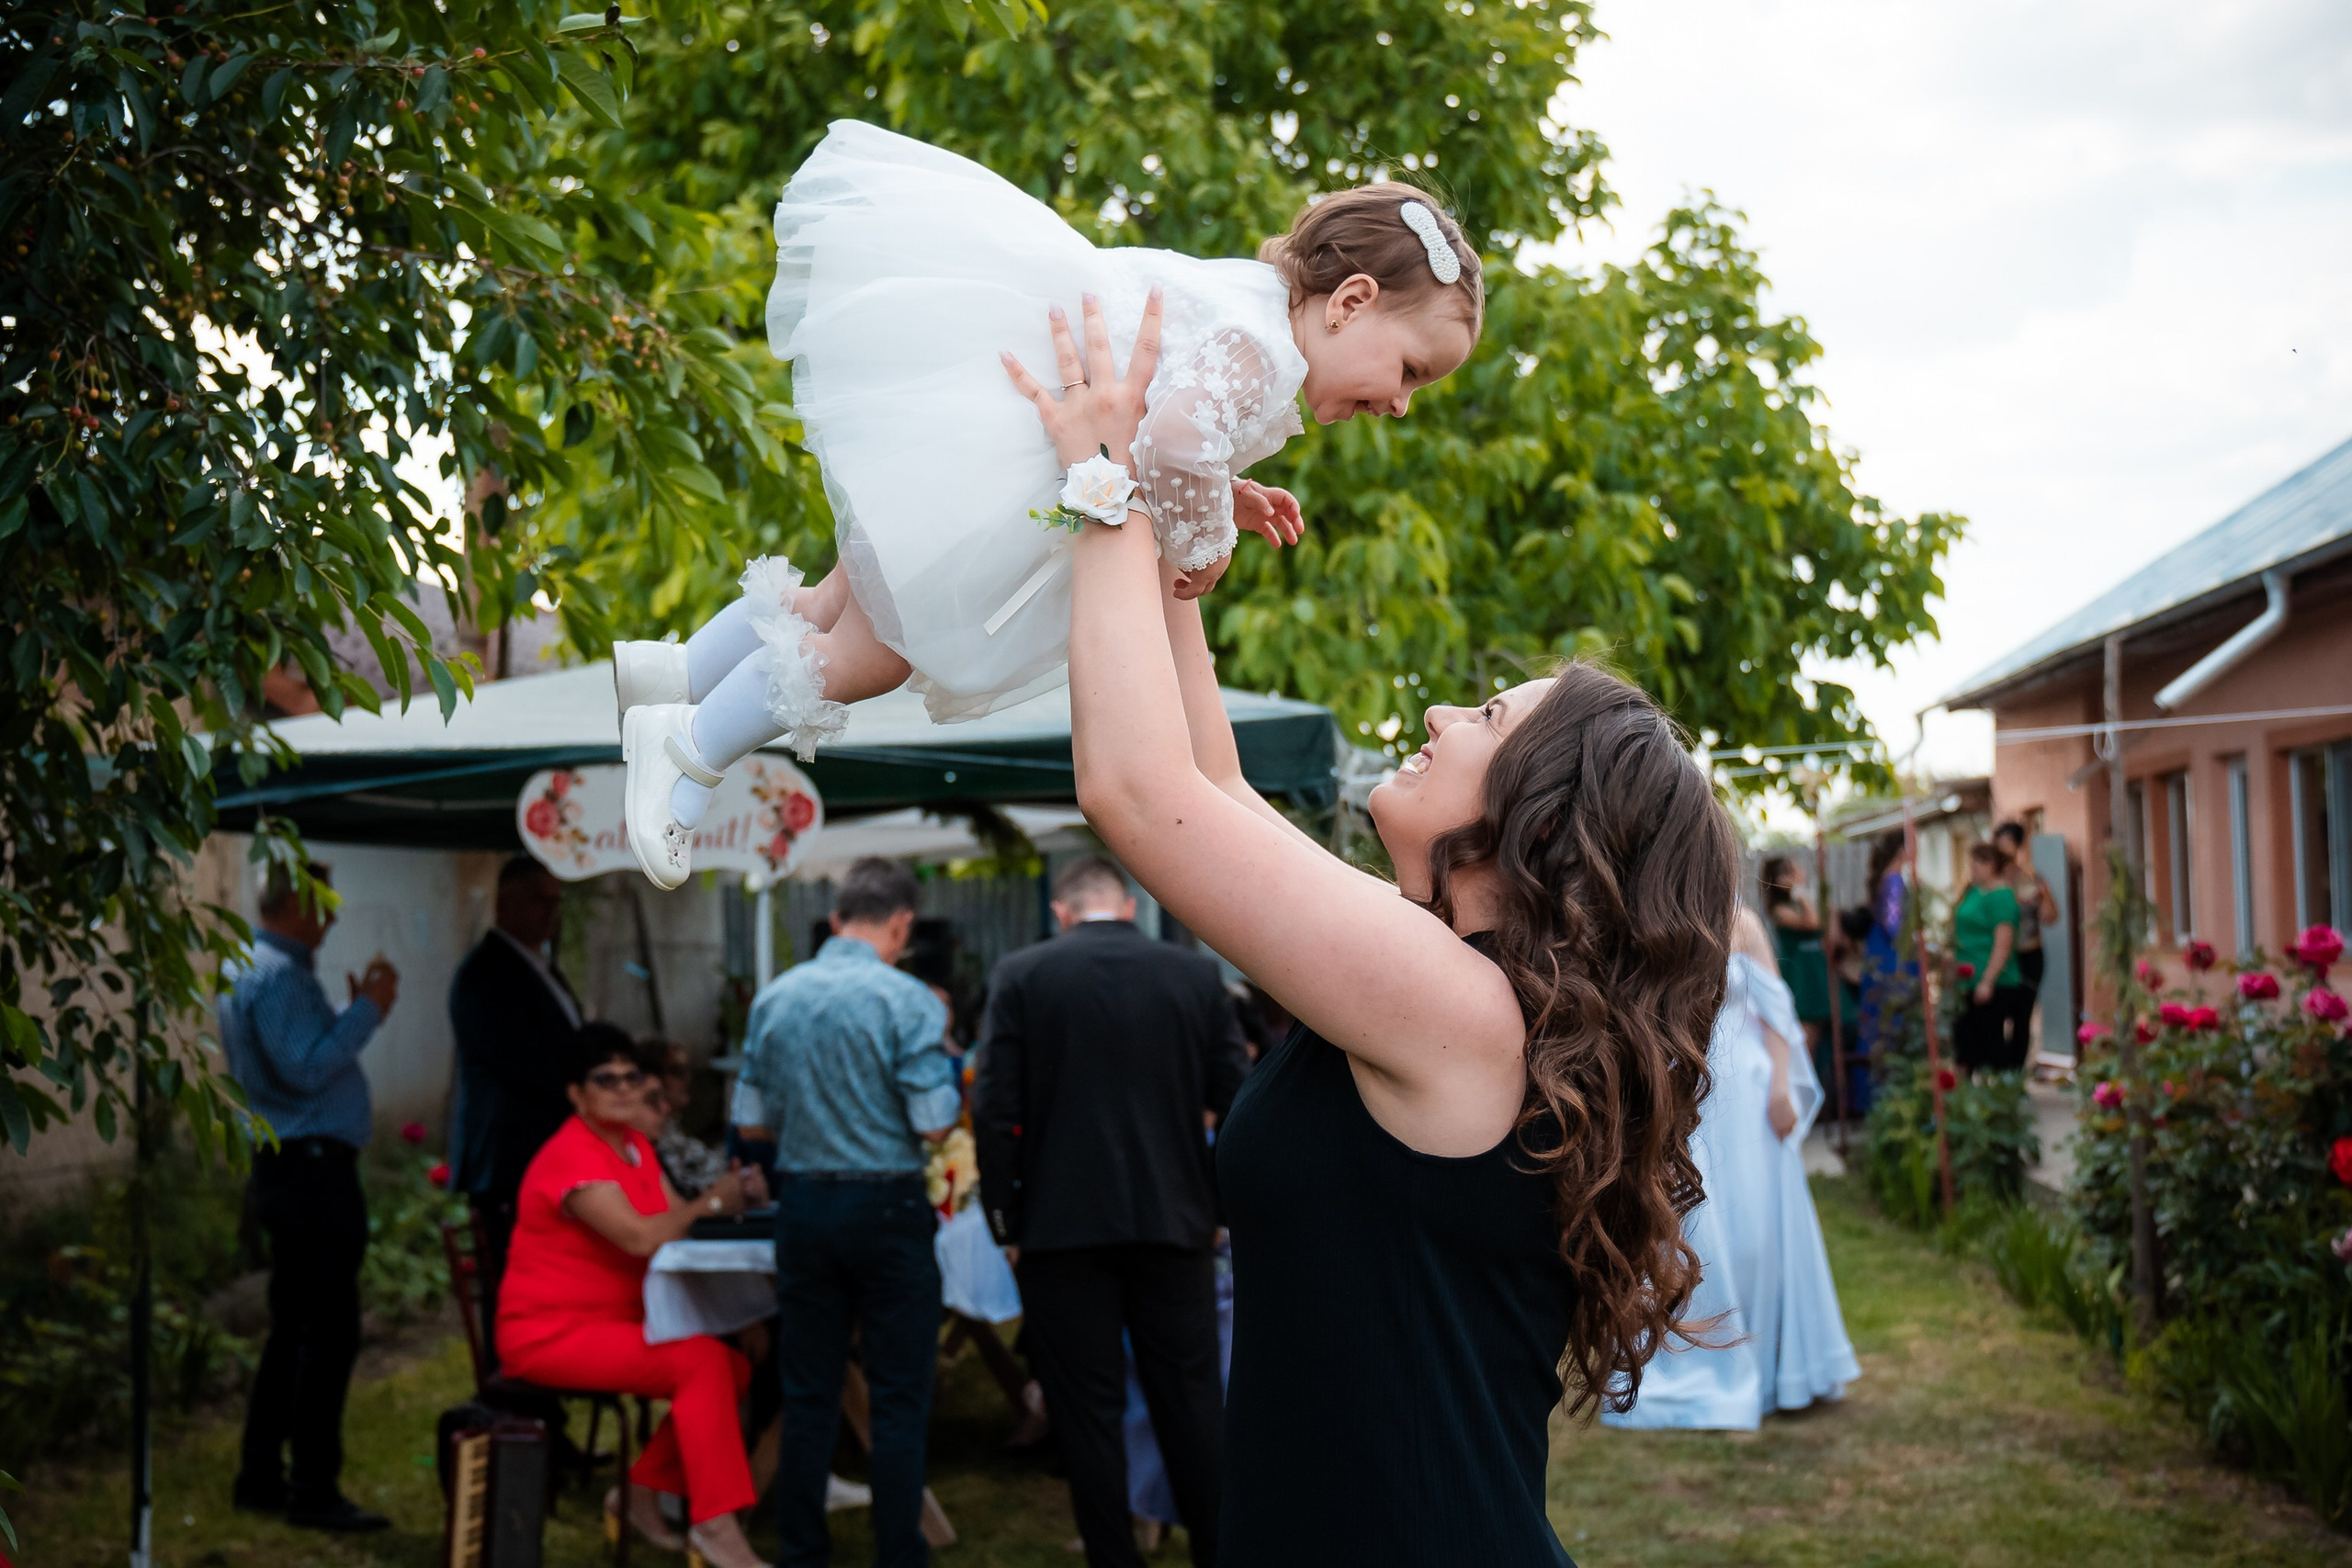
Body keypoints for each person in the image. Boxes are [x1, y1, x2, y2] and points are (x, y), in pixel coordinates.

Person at [1007, 296, 1740, 1565]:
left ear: (1542, 813)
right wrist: (1177, 526)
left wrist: (1106, 479)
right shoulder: (1452, 990)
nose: (1449, 707)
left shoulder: (1461, 1015)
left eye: (1493, 715)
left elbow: (1138, 791)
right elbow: (1210, 787)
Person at [612, 121, 1487, 889]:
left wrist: (1228, 486)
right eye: (1410, 370)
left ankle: (676, 671)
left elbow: (1167, 434)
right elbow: (1179, 444)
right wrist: (1205, 540)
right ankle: (689, 742)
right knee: (873, 652)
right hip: (1003, 469)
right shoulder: (1263, 351)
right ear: (1352, 302)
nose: (1403, 402)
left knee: (829, 603)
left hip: (972, 444)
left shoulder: (1249, 308)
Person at [973, 855, 1250, 1568]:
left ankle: (1112, 1558)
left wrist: (1005, 1219)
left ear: (1062, 912)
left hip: (1059, 1228)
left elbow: (995, 1106)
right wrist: (1218, 1204)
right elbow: (1240, 1096)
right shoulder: (1190, 975)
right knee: (1189, 1405)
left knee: (1085, 1413)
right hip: (1174, 1219)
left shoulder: (1023, 975)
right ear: (1128, 906)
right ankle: (1218, 1552)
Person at [739, 857, 962, 1568]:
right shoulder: (909, 999)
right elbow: (934, 1123)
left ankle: (803, 1551)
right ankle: (900, 1554)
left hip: (804, 1200)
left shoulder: (776, 996)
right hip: (887, 1201)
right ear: (900, 923)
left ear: (838, 919)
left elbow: (751, 1124)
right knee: (897, 1396)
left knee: (809, 1391)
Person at [496, 1025, 770, 1568]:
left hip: (623, 1321)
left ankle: (638, 1495)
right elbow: (642, 1237)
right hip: (550, 1332)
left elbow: (675, 1225)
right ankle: (715, 1530)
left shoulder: (634, 1145)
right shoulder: (572, 1156)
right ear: (576, 1094)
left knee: (733, 1367)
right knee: (703, 1364)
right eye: (606, 1079)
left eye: (631, 1076)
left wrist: (731, 1202)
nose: (624, 1089)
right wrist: (714, 1203)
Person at [1601, 909, 1860, 1429]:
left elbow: (1777, 1010)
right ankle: (1691, 1366)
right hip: (1681, 1091)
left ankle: (1768, 1369)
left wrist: (1783, 1087)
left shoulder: (1741, 922)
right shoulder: (1646, 912)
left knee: (1755, 1232)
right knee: (1687, 1225)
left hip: (1748, 1096)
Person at [220, 861, 400, 1532]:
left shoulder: (249, 962)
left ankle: (262, 1472)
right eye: (324, 904)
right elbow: (306, 1068)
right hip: (313, 1170)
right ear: (296, 901)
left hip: (292, 1167)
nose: (332, 918)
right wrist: (367, 1010)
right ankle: (312, 1486)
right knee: (327, 1331)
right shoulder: (280, 973)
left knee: (293, 1326)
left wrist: (351, 1013)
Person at [447, 855, 582, 1339]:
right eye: (538, 900)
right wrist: (583, 1091)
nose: (550, 912)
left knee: (546, 1283)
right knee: (512, 1284)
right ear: (506, 902)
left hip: (542, 1157)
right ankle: (512, 1387)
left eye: (556, 902)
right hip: (508, 1161)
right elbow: (521, 1060)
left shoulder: (542, 966)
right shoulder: (486, 972)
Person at [1952, 841, 2030, 1075]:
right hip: (1966, 977)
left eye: (1976, 864)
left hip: (1992, 980)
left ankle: (1999, 1093)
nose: (1972, 869)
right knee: (1966, 1040)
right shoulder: (1974, 891)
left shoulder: (2002, 896)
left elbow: (2003, 942)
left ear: (1991, 865)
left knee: (1990, 1040)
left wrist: (1988, 980)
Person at [1993, 819, 2059, 1061]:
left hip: (2029, 954)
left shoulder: (2031, 878)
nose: (2004, 850)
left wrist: (2044, 896)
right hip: (1999, 956)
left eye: (2009, 844)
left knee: (2022, 1016)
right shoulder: (1991, 881)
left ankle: (2015, 1073)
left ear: (2019, 846)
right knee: (1998, 1014)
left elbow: (2051, 917)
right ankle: (1997, 1069)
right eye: (2000, 844)